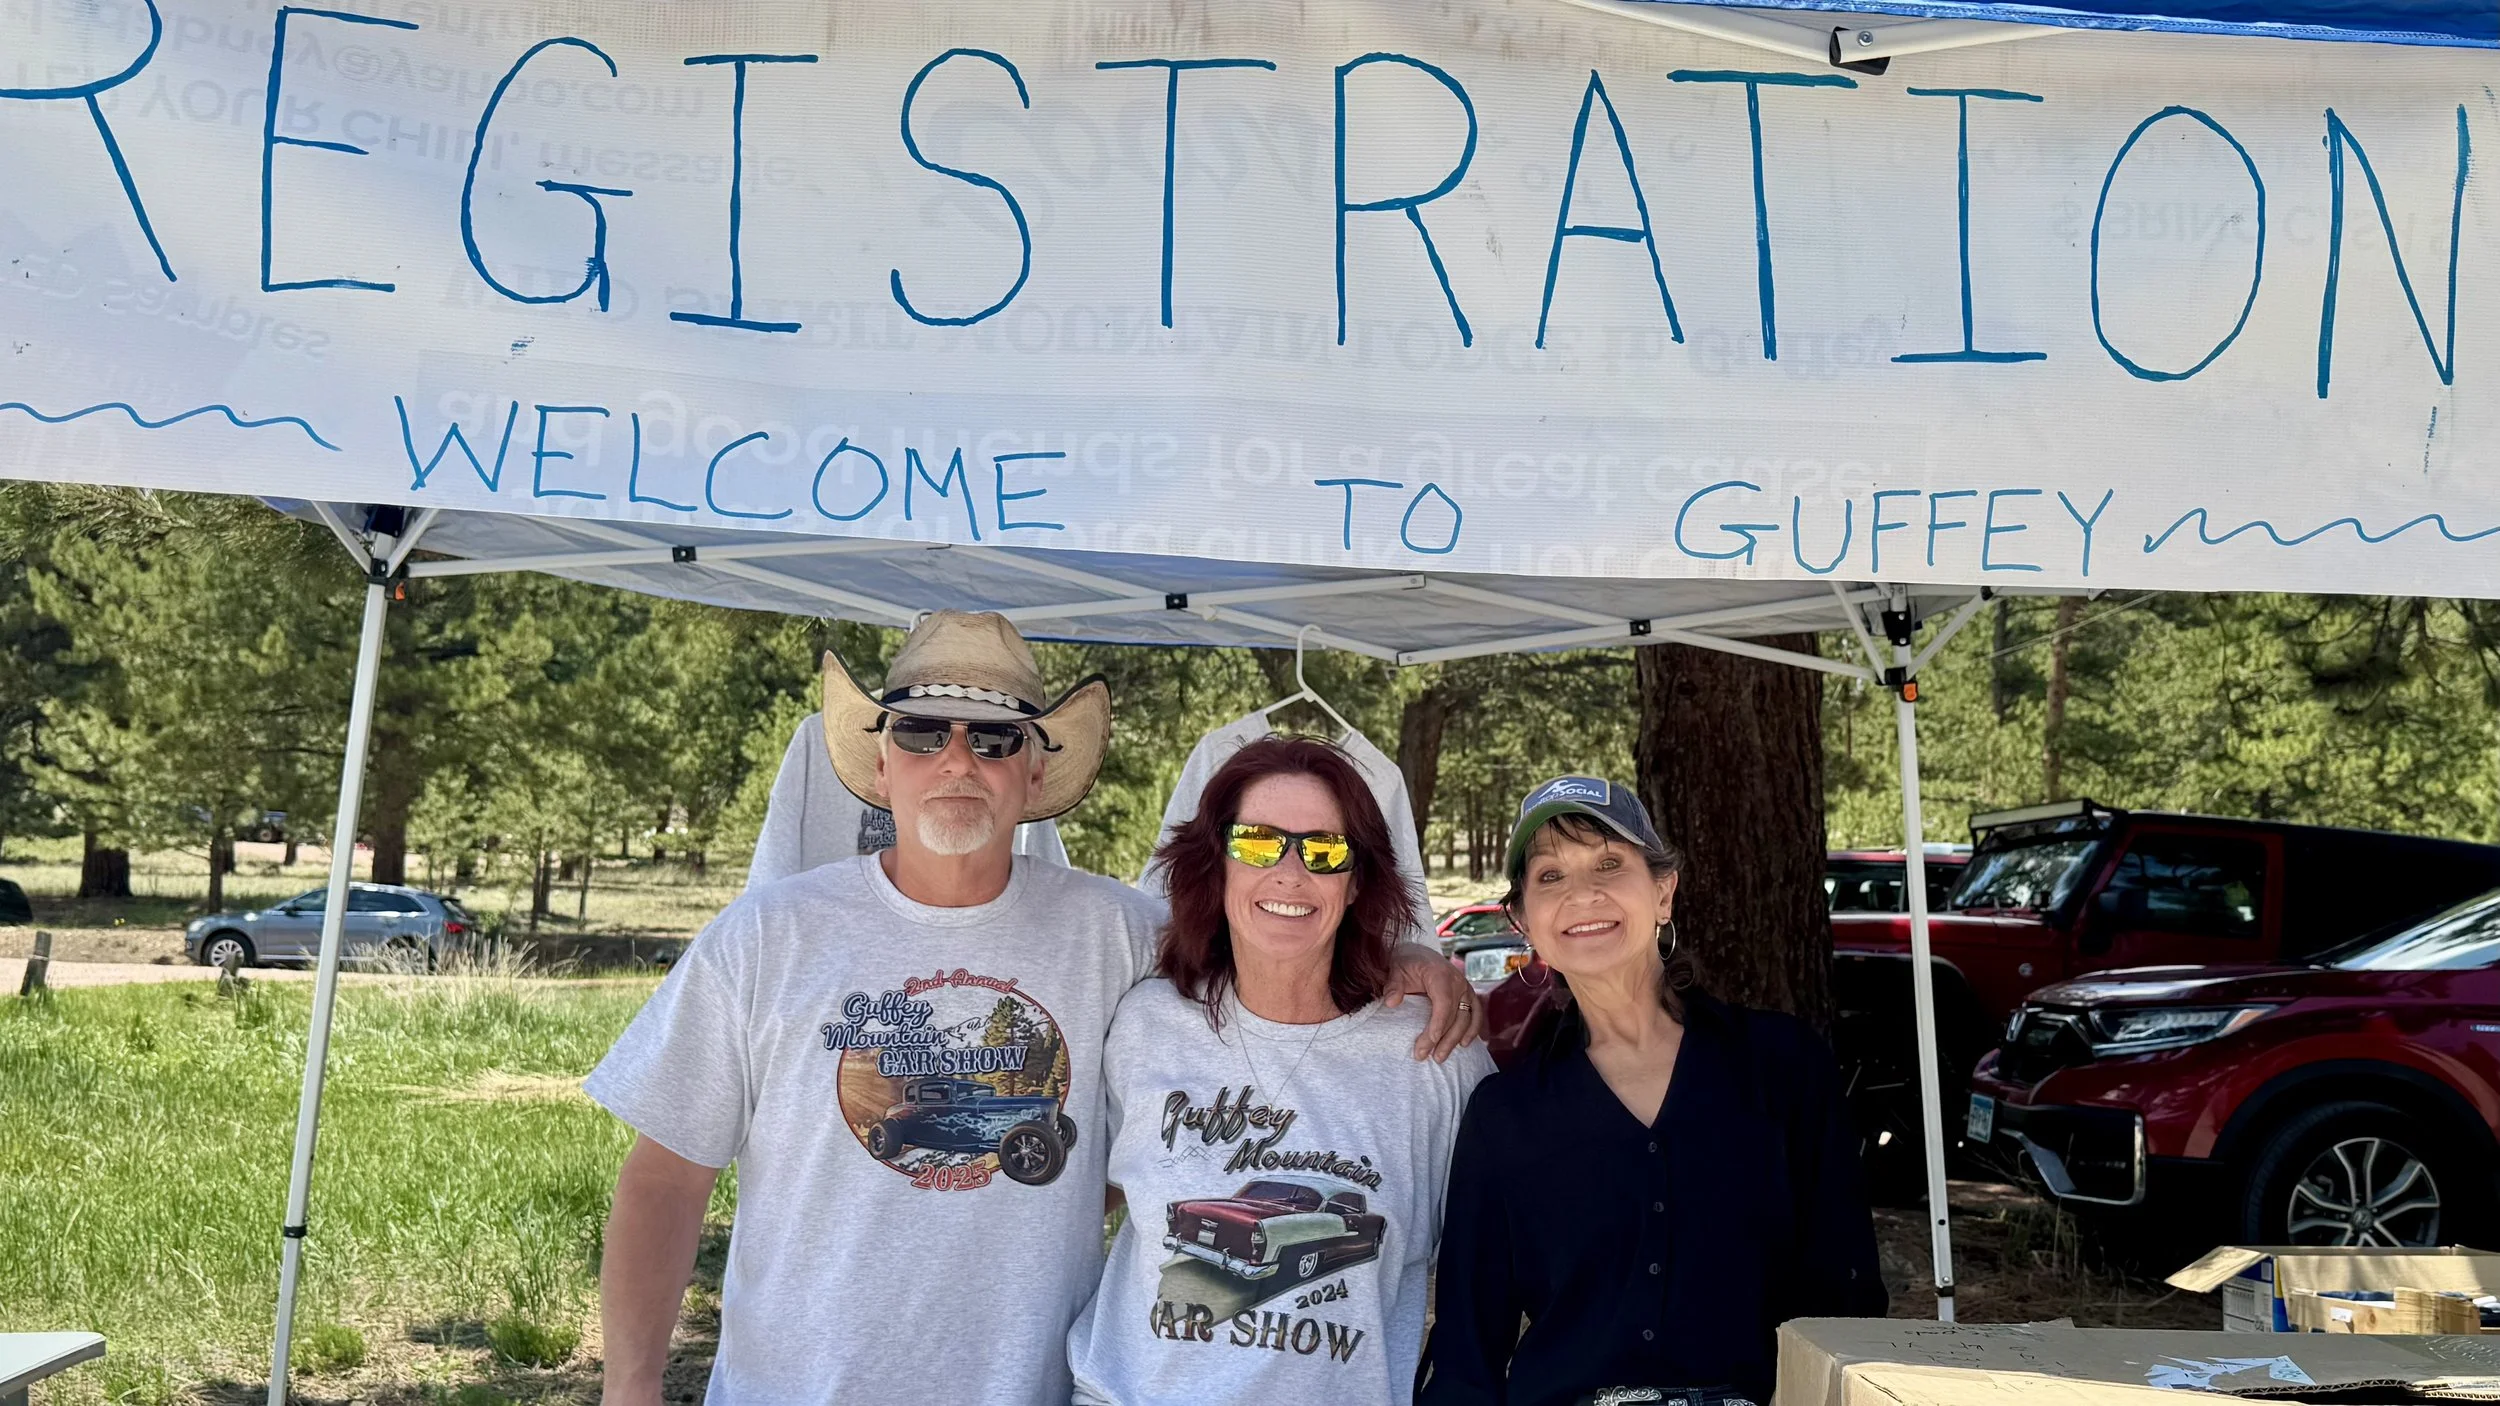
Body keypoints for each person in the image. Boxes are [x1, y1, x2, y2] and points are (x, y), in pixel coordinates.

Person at [587, 611, 1480, 1406]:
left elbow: (1274, 927)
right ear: (883, 754)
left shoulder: (1118, 933)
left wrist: (1406, 959)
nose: (956, 761)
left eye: (994, 739)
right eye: (925, 730)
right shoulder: (767, 934)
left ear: (1034, 767)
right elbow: (666, 1179)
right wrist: (630, 1389)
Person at [1419, 776, 1885, 1406]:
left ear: (1664, 891)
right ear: (1523, 920)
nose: (1583, 894)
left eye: (1610, 864)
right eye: (1550, 876)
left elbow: (1847, 1294)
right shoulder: (1506, 1114)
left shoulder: (1783, 1067)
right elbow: (1466, 1353)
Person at [1069, 736, 1491, 1405]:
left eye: (1324, 851)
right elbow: (1075, 1195)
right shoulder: (1146, 1022)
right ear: (1219, 864)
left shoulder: (1434, 1051)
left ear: (1356, 884)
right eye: (1259, 843)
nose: (1290, 872)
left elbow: (1497, 1260)